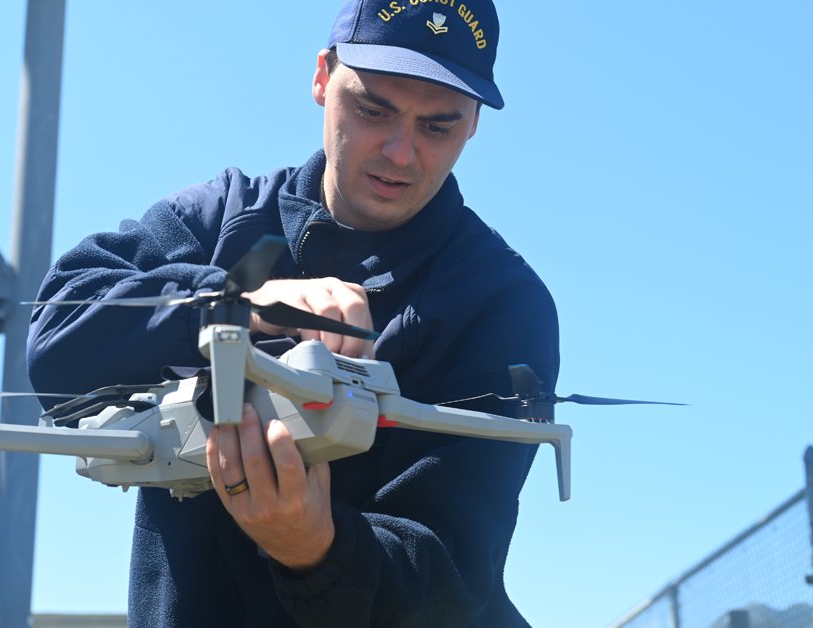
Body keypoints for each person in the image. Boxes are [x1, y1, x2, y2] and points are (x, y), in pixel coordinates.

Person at [27, 0, 559, 625]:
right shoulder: (224, 222)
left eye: (436, 127)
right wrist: (232, 307)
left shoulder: (499, 302)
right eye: (372, 109)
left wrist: (318, 552)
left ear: (471, 126)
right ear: (321, 78)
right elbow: (54, 345)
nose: (399, 152)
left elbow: (452, 573)